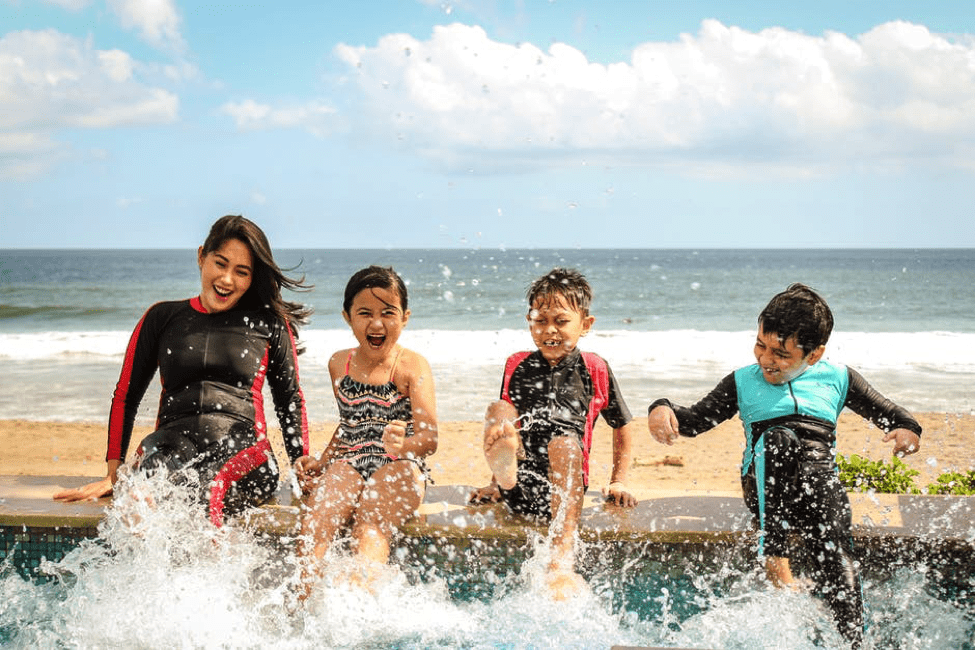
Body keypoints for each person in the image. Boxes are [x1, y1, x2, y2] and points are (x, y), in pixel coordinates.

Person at [647, 283, 922, 648]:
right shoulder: (743, 381)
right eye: (760, 345)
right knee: (778, 441)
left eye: (781, 353)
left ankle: (854, 639)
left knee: (837, 552)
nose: (766, 359)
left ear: (814, 354)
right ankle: (776, 560)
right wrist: (661, 406)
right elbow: (696, 420)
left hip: (819, 486)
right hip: (764, 484)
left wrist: (907, 430)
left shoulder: (838, 377)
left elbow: (890, 412)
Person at [54, 215, 312, 527]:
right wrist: (114, 471)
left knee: (207, 494)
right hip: (168, 445)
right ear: (201, 255)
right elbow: (126, 395)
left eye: (241, 272)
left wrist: (301, 464)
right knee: (140, 495)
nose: (227, 279)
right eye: (220, 263)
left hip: (245, 453)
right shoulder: (162, 317)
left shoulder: (268, 325)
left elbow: (289, 401)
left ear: (251, 278)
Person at [469, 267, 637, 600]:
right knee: (499, 411)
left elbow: (622, 425)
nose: (549, 330)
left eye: (560, 321)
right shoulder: (516, 363)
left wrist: (618, 479)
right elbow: (507, 426)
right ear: (529, 321)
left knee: (563, 443)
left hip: (565, 492)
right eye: (540, 320)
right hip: (520, 484)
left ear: (585, 325)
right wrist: (494, 484)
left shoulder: (594, 367)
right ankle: (502, 477)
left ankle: (561, 558)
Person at [294, 266, 438, 594]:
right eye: (364, 313)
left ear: (405, 317)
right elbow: (349, 424)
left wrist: (403, 447)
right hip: (351, 461)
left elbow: (430, 440)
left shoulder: (412, 366)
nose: (376, 323)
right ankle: (301, 606)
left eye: (388, 313)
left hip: (401, 466)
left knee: (369, 525)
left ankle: (362, 604)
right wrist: (323, 460)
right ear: (347, 317)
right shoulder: (338, 364)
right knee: (317, 520)